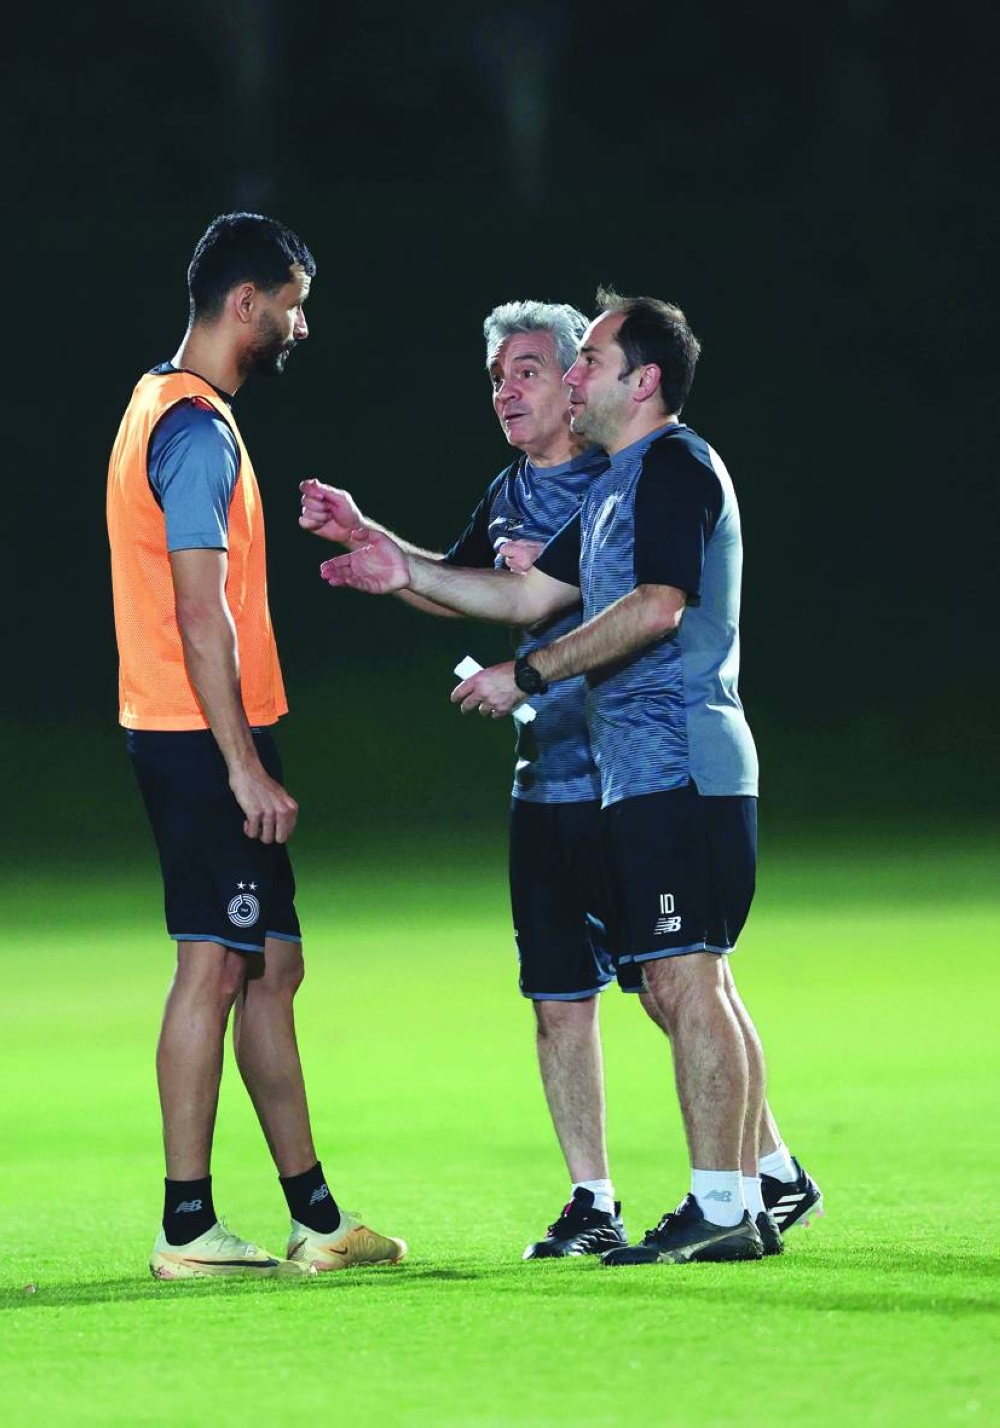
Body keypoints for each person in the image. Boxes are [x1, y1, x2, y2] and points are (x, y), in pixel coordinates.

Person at [314, 292, 822, 1262]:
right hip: (635, 775)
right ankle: (744, 1198)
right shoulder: (614, 489)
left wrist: (528, 673)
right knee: (678, 986)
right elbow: (518, 592)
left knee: (684, 978)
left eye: (585, 359)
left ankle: (727, 1203)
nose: (571, 375)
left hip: (682, 761)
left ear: (643, 381)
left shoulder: (670, 465)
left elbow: (661, 606)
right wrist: (396, 565)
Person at [106, 212, 406, 1279]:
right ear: (248, 304)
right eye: (293, 302)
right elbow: (199, 612)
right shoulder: (192, 428)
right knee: (213, 965)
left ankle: (317, 1220)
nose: (301, 324)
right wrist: (241, 764)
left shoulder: (164, 404)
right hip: (197, 739)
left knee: (270, 963)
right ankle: (186, 1225)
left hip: (195, 729)